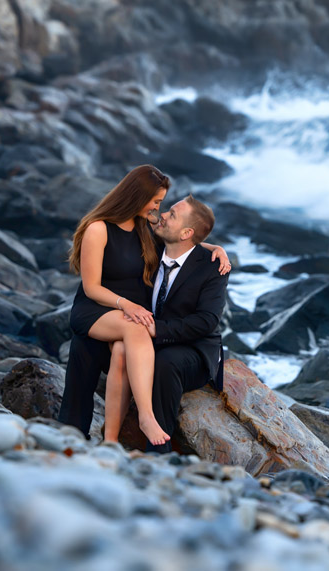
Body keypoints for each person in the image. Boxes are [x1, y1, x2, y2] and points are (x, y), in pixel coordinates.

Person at [60, 165, 229, 446]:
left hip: (127, 313)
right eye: (156, 202)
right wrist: (127, 305)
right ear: (138, 197)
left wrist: (216, 249)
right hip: (96, 308)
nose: (158, 210)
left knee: (125, 350)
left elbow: (184, 241)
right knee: (134, 330)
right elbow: (90, 287)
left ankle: (110, 441)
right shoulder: (98, 229)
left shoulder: (144, 228)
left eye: (162, 205)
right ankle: (145, 417)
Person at [103, 195, 228, 452]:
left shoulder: (213, 269)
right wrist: (213, 244)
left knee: (165, 362)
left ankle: (158, 453)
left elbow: (206, 321)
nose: (163, 216)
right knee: (118, 348)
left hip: (194, 350)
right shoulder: (152, 247)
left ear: (186, 233)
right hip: (147, 340)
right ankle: (105, 440)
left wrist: (156, 329)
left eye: (172, 214)